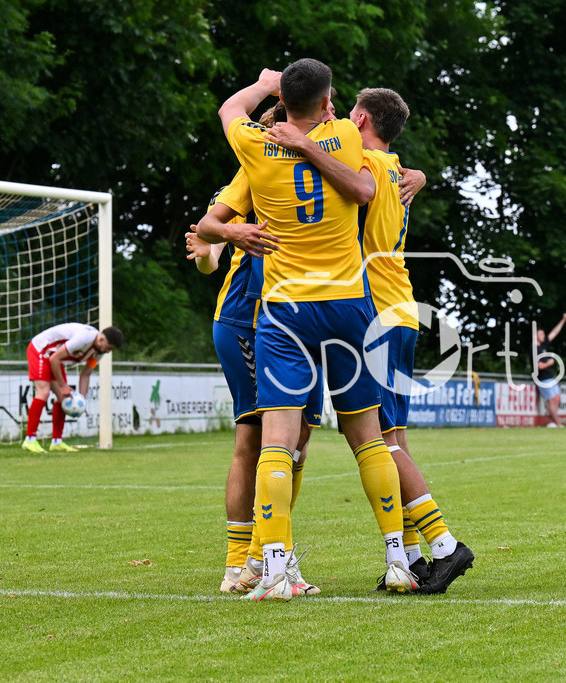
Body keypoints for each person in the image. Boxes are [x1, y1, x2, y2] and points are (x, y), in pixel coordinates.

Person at [266, 87, 475, 594]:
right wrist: (423, 177)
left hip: (376, 312)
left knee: (378, 441)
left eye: (342, 114)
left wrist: (295, 139)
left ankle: (444, 544)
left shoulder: (365, 165)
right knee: (393, 438)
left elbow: (332, 172)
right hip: (399, 307)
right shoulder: (395, 166)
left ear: (359, 118)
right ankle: (405, 559)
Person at [219, 61, 412, 600]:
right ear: (330, 101)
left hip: (284, 312)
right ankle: (399, 560)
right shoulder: (347, 135)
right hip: (349, 304)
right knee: (370, 440)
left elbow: (230, 109)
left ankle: (274, 568)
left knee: (277, 444)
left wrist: (263, 85)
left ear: (284, 99)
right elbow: (368, 184)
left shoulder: (254, 146)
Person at [186, 159, 322, 597]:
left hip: (302, 322)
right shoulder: (245, 184)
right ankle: (242, 562)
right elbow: (209, 259)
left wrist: (417, 175)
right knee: (257, 438)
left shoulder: (321, 177)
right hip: (247, 321)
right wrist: (207, 250)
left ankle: (268, 553)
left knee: (299, 438)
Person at [22, 323, 123, 453]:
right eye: (109, 348)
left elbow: (86, 374)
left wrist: (82, 399)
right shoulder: (84, 338)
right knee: (43, 392)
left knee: (64, 397)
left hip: (55, 358)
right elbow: (54, 359)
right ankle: (29, 440)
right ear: (101, 339)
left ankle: (56, 442)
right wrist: (63, 386)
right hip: (41, 350)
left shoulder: (99, 352)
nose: (108, 352)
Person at [533, 314, 566, 427]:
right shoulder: (534, 349)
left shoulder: (542, 346)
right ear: (535, 335)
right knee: (552, 400)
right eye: (541, 333)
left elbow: (554, 333)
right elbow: (539, 366)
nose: (544, 335)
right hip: (543, 379)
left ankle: (552, 420)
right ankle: (558, 424)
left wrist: (564, 319)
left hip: (550, 378)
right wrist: (549, 363)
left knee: (557, 398)